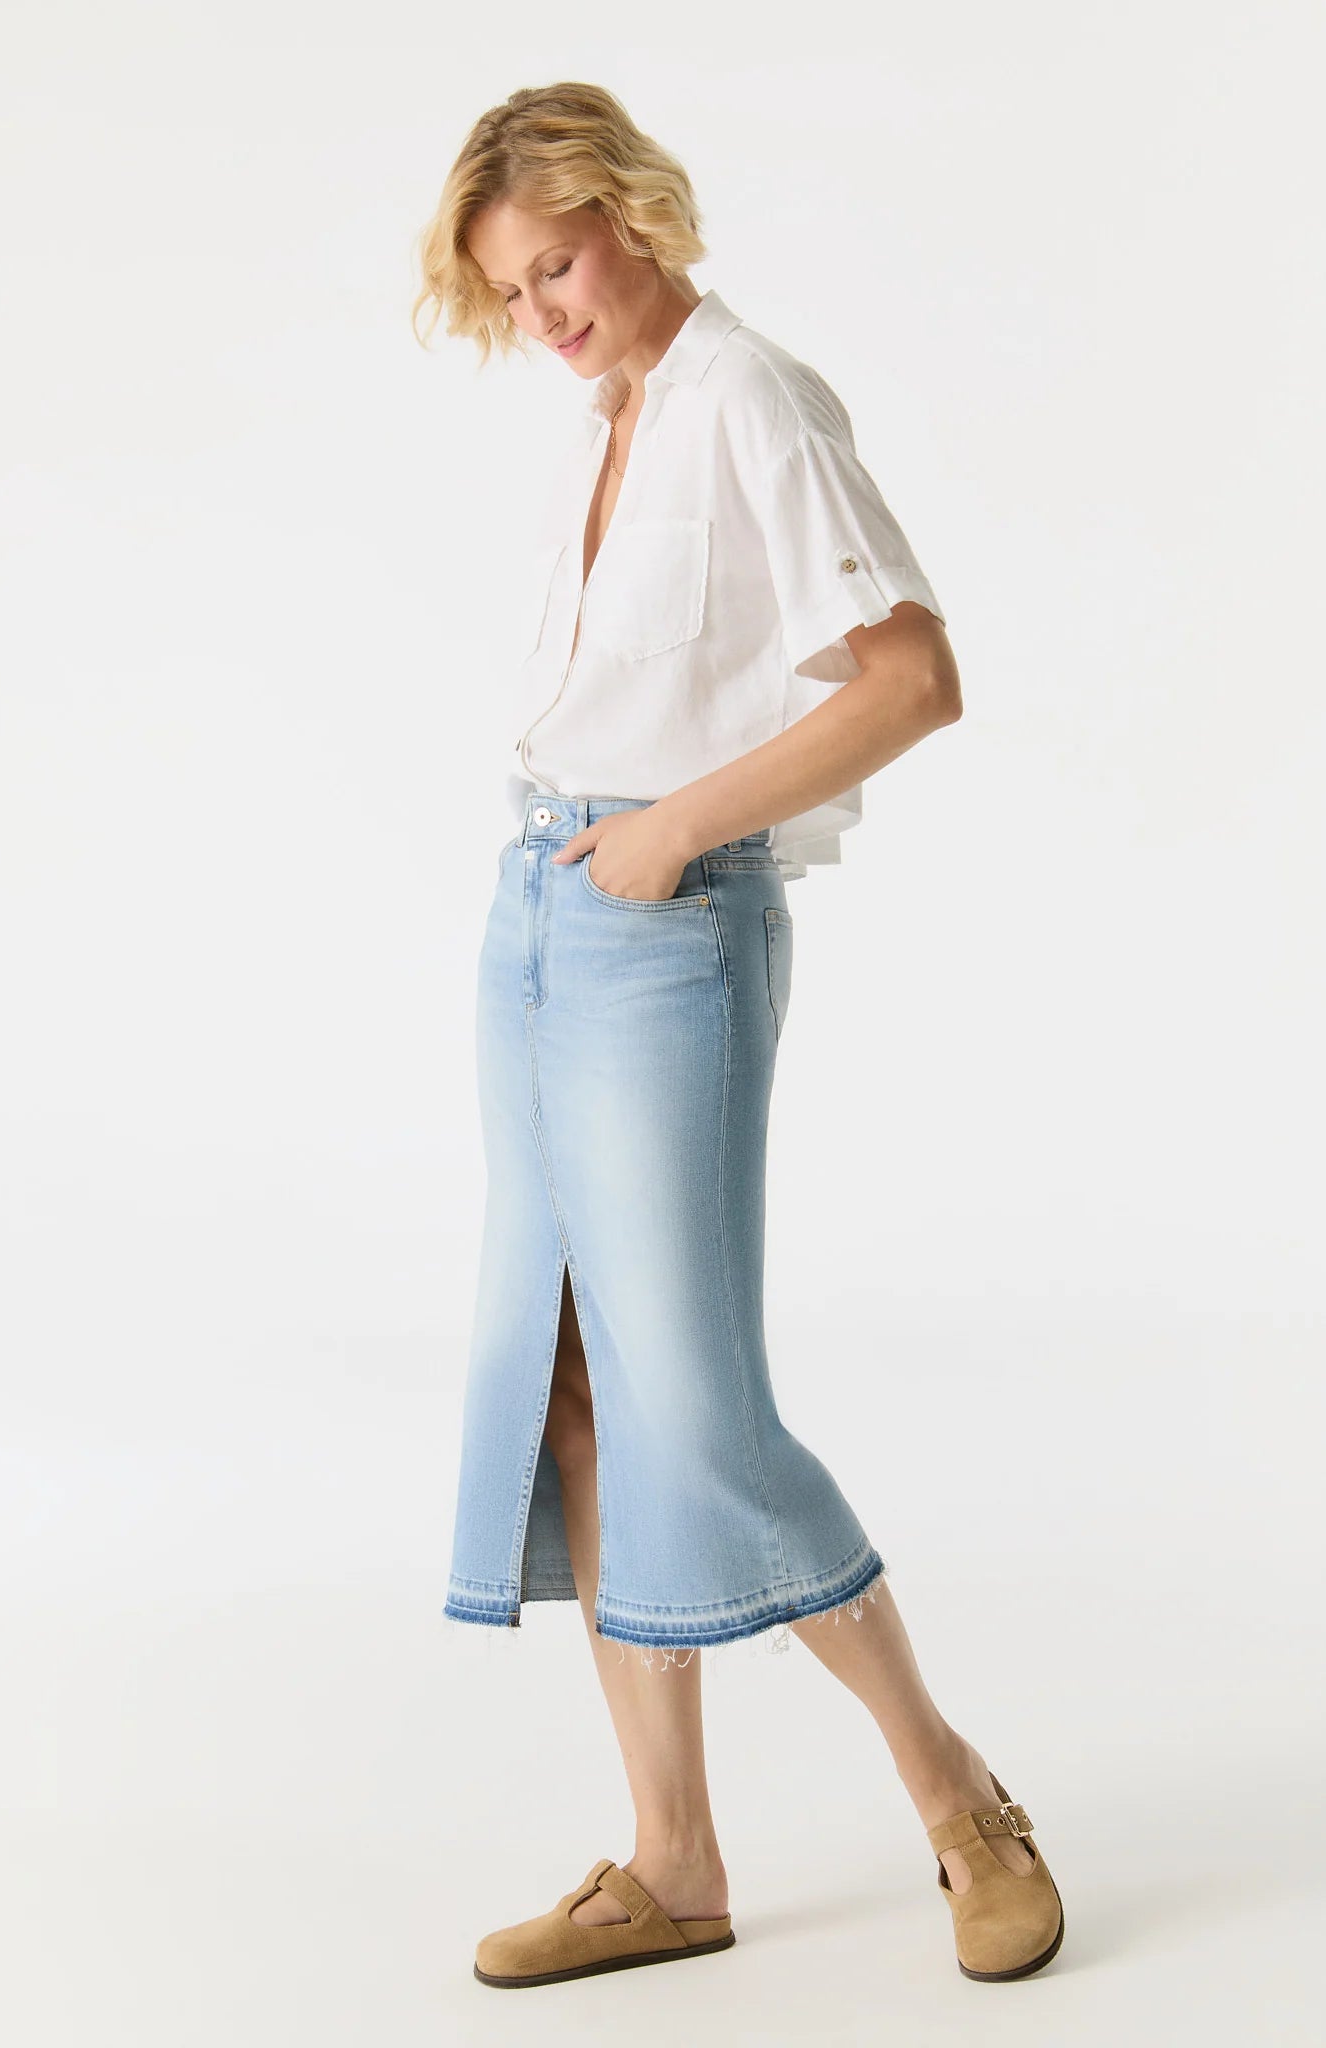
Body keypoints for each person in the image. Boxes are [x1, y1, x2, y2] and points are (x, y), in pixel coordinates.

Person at [412, 80, 1064, 1992]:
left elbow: (914, 681)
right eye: (510, 293)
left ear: (636, 214)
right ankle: (673, 1864)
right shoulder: (608, 417)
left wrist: (680, 831)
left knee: (695, 1404)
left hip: (661, 922)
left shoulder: (750, 398)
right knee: (580, 1387)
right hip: (536, 907)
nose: (544, 314)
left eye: (561, 264)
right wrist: (589, 858)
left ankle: (957, 1802)